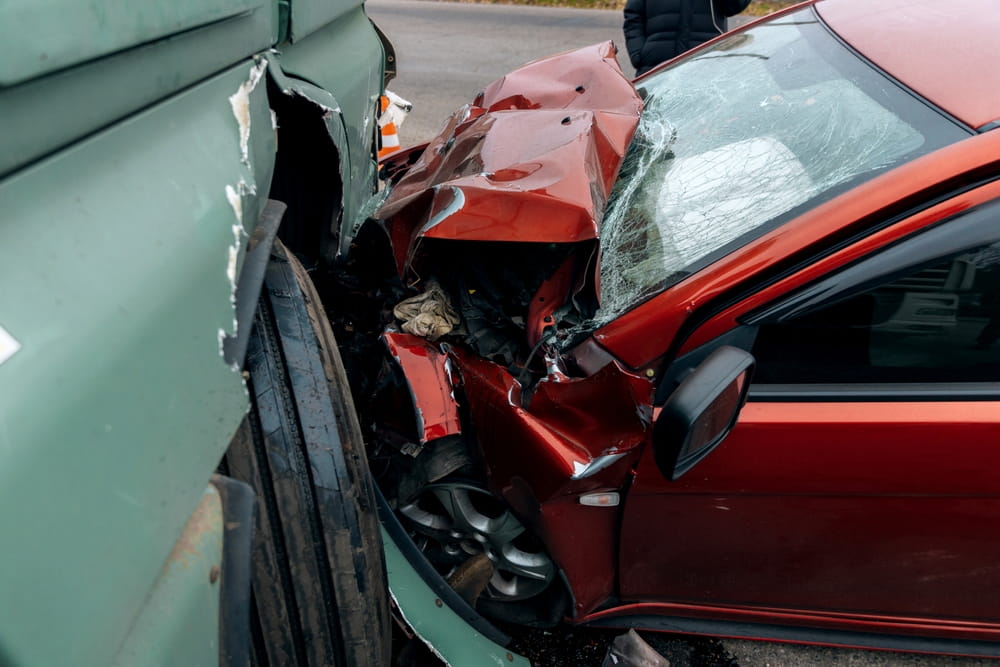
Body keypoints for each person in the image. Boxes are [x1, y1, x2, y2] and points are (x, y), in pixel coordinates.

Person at [624, 0, 752, 76]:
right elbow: (633, 16)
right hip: (654, 71)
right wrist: (638, 55)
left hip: (706, 70)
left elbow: (734, 6)